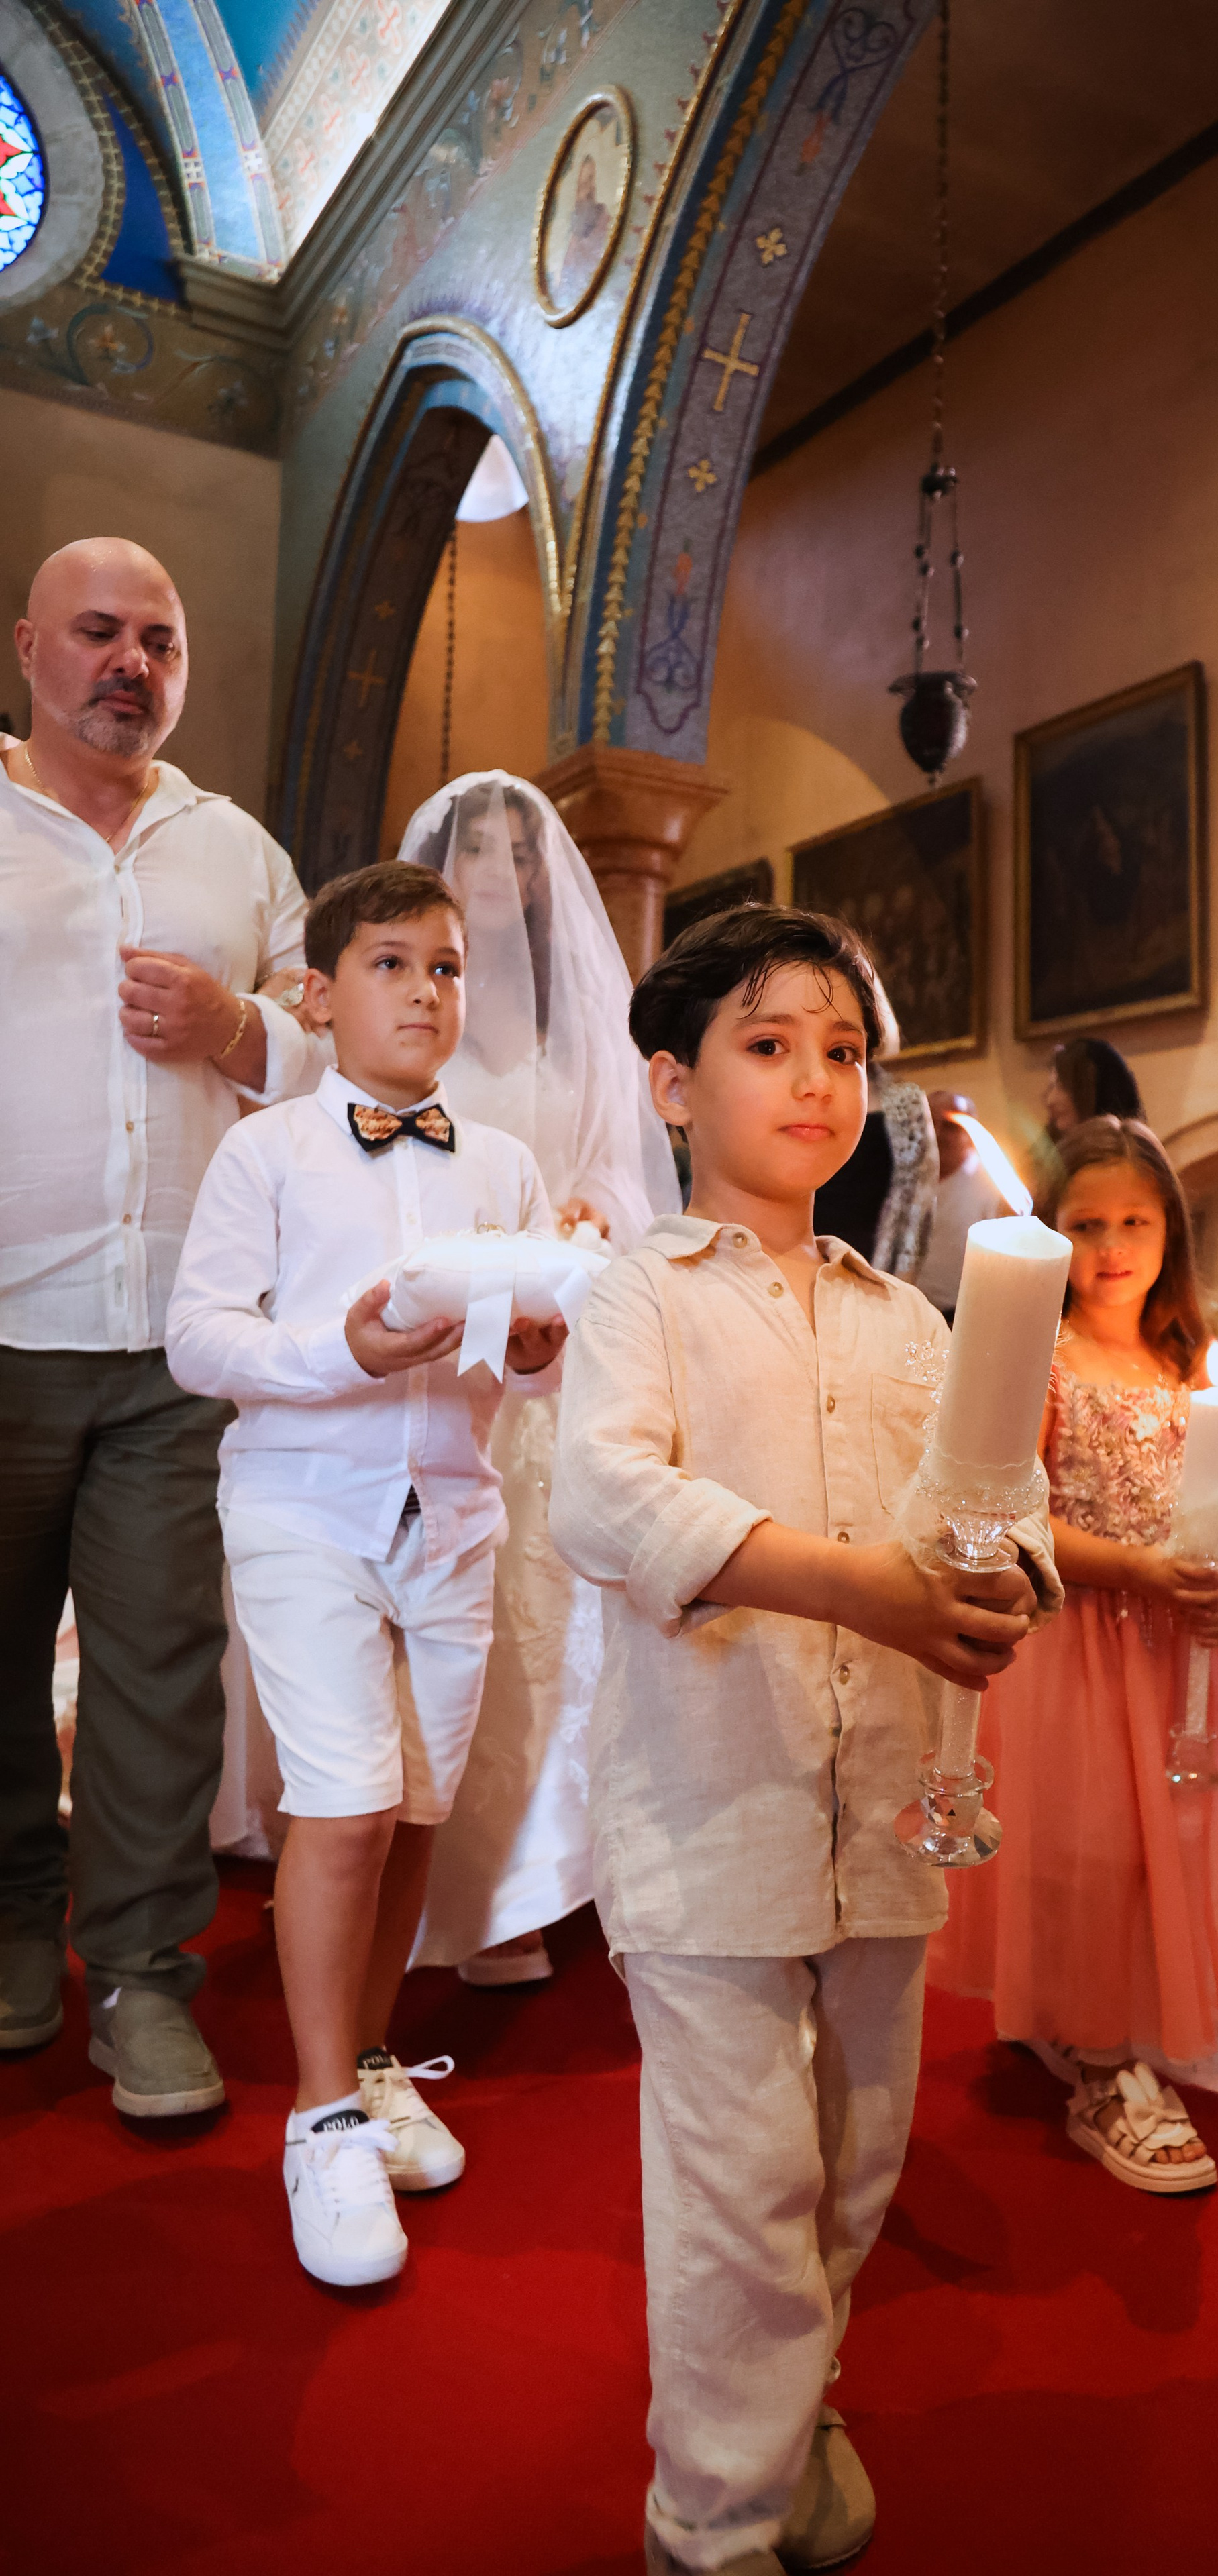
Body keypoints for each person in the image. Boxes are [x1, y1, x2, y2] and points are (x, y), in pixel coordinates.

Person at [552, 906, 1060, 2576]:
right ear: (671, 1085)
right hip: (712, 1806)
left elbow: (996, 1495)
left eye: (842, 1050)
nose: (817, 1080)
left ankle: (792, 2406)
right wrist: (868, 1590)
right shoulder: (639, 1290)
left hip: (886, 1806)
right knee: (739, 2177)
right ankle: (706, 2524)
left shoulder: (907, 1319)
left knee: (851, 2159)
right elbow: (608, 1494)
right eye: (768, 1045)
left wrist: (1007, 1563)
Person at [164, 862, 566, 2288]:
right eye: (393, 965)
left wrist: (531, 1346)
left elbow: (514, 1363)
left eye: (447, 967)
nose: (425, 991)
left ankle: (375, 2061)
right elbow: (201, 1343)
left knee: (412, 1815)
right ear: (322, 996)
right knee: (339, 1804)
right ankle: (320, 2119)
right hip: (303, 1512)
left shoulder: (505, 1165)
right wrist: (341, 1349)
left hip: (450, 1521)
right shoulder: (265, 1151)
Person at [0, 537, 327, 2111]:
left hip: (183, 1339)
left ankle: (138, 1972)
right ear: (29, 650)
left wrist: (235, 1025)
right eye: (98, 633)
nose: (130, 661)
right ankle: (9, 1929)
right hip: (2, 1325)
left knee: (156, 1671)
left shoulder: (243, 856)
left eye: (161, 638)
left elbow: (337, 1080)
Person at [396, 771, 679, 1983]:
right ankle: (446, 1883)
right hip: (449, 1362)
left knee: (551, 1623)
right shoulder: (411, 1020)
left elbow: (627, 1176)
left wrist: (586, 1213)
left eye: (517, 855)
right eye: (472, 854)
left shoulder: (583, 1037)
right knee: (453, 1625)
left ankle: (534, 1878)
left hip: (553, 1356)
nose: (497, 875)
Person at [932, 1116, 1218, 2192]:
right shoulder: (1049, 1358)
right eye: (1087, 1223)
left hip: (1167, 1656)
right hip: (1073, 1645)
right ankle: (1105, 2066)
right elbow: (1016, 1515)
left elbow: (1215, 1510)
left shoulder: (1179, 1361)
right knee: (1085, 1845)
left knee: (1155, 1850)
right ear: (1050, 1232)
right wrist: (1142, 1571)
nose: (1113, 1246)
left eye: (1136, 1222)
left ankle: (1089, 2019)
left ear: (1172, 1233)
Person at [811, 971, 936, 1278]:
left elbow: (915, 1204)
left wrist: (897, 1281)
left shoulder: (903, 1100)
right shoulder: (809, 1090)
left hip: (871, 1260)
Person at [915, 1088, 1010, 1321]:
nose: (935, 1133)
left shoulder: (994, 1187)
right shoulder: (904, 1180)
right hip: (912, 1315)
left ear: (971, 1132)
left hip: (966, 1317)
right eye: (928, 1122)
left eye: (949, 1126)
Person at [1041, 1035, 1142, 1142]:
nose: (1050, 1100)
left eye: (1063, 1087)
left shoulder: (1128, 1155)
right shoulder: (1047, 1154)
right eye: (1051, 1087)